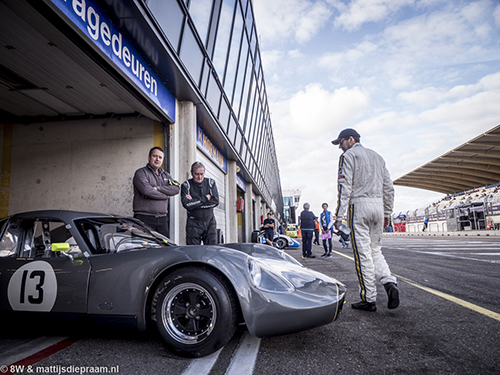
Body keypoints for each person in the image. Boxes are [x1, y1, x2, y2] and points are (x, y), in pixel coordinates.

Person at [332, 128, 399, 312]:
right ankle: (389, 282)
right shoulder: (378, 156)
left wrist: (339, 217)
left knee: (363, 254)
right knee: (375, 251)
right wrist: (387, 214)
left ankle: (368, 298)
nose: (340, 147)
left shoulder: (348, 156)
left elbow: (344, 188)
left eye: (341, 142)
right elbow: (389, 188)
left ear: (351, 139)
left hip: (359, 206)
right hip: (378, 207)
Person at [133, 147, 180, 237]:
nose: (157, 159)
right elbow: (147, 191)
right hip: (144, 218)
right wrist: (166, 196)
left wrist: (158, 189)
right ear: (149, 157)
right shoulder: (141, 173)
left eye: (160, 157)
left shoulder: (166, 175)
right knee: (143, 247)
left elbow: (176, 188)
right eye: (155, 156)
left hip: (162, 220)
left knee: (163, 248)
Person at [181, 161, 219, 245]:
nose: (199, 177)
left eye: (201, 174)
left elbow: (215, 202)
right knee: (193, 252)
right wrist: (205, 199)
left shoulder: (211, 183)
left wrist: (194, 202)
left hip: (210, 222)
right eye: (196, 174)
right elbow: (186, 204)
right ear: (191, 173)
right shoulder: (186, 185)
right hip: (193, 223)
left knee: (211, 250)